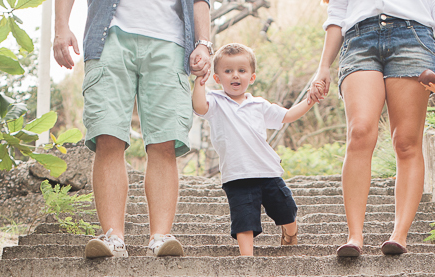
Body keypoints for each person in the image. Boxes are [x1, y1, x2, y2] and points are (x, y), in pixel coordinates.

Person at [53, 0, 213, 258]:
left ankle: (160, 236)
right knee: (108, 135)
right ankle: (112, 237)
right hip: (108, 38)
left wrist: (204, 44)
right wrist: (61, 27)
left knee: (165, 140)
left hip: (171, 43)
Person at [308, 0, 435, 257]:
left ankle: (399, 235)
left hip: (413, 37)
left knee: (406, 141)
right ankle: (354, 236)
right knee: (360, 132)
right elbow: (337, 12)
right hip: (358, 40)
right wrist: (323, 66)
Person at [191, 43, 315, 256]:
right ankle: (247, 259)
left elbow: (287, 116)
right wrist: (199, 82)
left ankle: (290, 233)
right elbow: (199, 106)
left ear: (252, 76)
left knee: (286, 209)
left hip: (267, 171)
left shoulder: (259, 104)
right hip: (237, 175)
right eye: (228, 71)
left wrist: (309, 101)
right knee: (244, 219)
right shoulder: (216, 101)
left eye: (241, 70)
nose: (235, 76)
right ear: (218, 78)